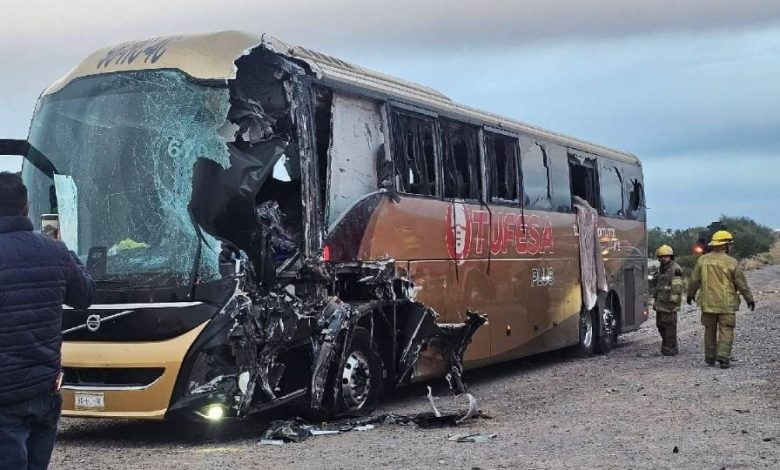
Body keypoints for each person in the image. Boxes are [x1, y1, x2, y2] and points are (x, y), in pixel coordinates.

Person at [0, 172, 95, 469]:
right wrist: (64, 249)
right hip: (45, 389)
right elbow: (85, 296)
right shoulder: (55, 250)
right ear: (25, 207)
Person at [687, 230, 755, 369]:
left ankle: (710, 357)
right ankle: (723, 358)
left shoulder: (702, 260)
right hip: (726, 304)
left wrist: (690, 294)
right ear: (726, 245)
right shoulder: (732, 262)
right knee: (726, 329)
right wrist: (749, 299)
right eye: (730, 244)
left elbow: (694, 280)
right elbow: (741, 284)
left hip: (708, 303)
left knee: (709, 330)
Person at [649, 245, 684, 355]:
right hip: (660, 303)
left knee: (669, 327)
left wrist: (673, 302)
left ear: (671, 257)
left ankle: (671, 348)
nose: (664, 258)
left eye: (666, 257)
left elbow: (677, 287)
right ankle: (667, 345)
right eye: (662, 256)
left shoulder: (676, 269)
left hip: (670, 304)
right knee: (660, 325)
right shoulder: (661, 269)